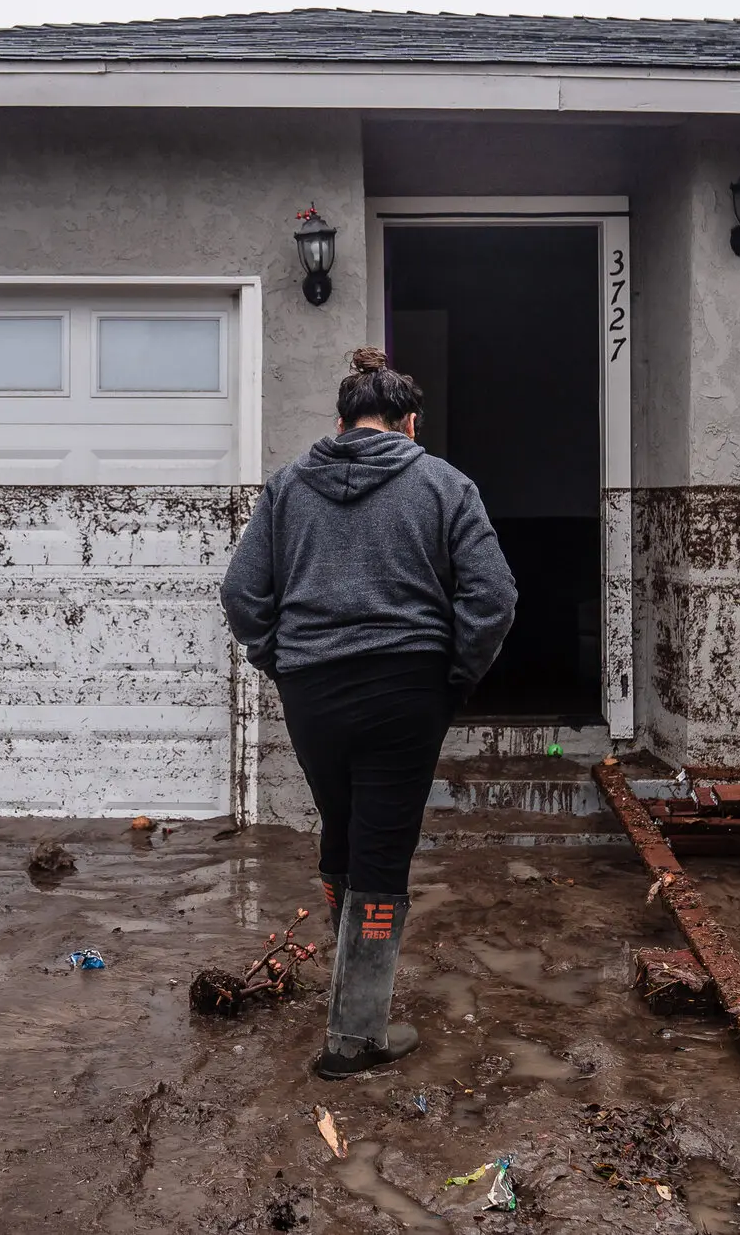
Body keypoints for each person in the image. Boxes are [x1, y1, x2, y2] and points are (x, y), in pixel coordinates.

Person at [220, 346, 517, 1078]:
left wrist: (278, 659)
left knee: (343, 832)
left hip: (312, 690)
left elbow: (241, 590)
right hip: (405, 689)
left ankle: (353, 998)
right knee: (383, 849)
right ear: (409, 422)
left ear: (342, 422)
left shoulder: (290, 485)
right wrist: (455, 677)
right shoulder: (444, 483)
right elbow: (493, 597)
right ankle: (355, 1039)